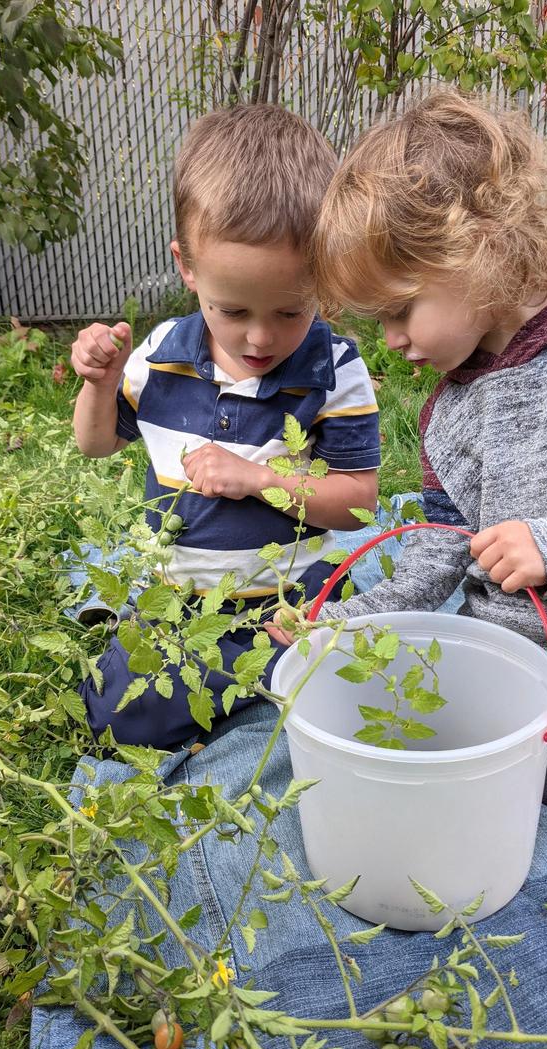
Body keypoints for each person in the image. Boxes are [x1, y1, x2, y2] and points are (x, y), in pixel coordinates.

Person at [272, 90, 547, 825]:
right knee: (447, 741)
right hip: (506, 637)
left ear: (478, 248)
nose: (388, 339)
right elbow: (435, 552)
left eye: (400, 308)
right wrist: (343, 622)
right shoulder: (446, 411)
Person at [70, 104, 381, 749]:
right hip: (187, 606)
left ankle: (266, 693)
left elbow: (357, 508)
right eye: (233, 310)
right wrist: (98, 384)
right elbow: (95, 443)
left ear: (324, 272)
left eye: (291, 312)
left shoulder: (336, 371)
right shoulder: (159, 357)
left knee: (351, 703)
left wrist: (260, 479)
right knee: (115, 716)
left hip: (290, 605)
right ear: (188, 268)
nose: (261, 337)